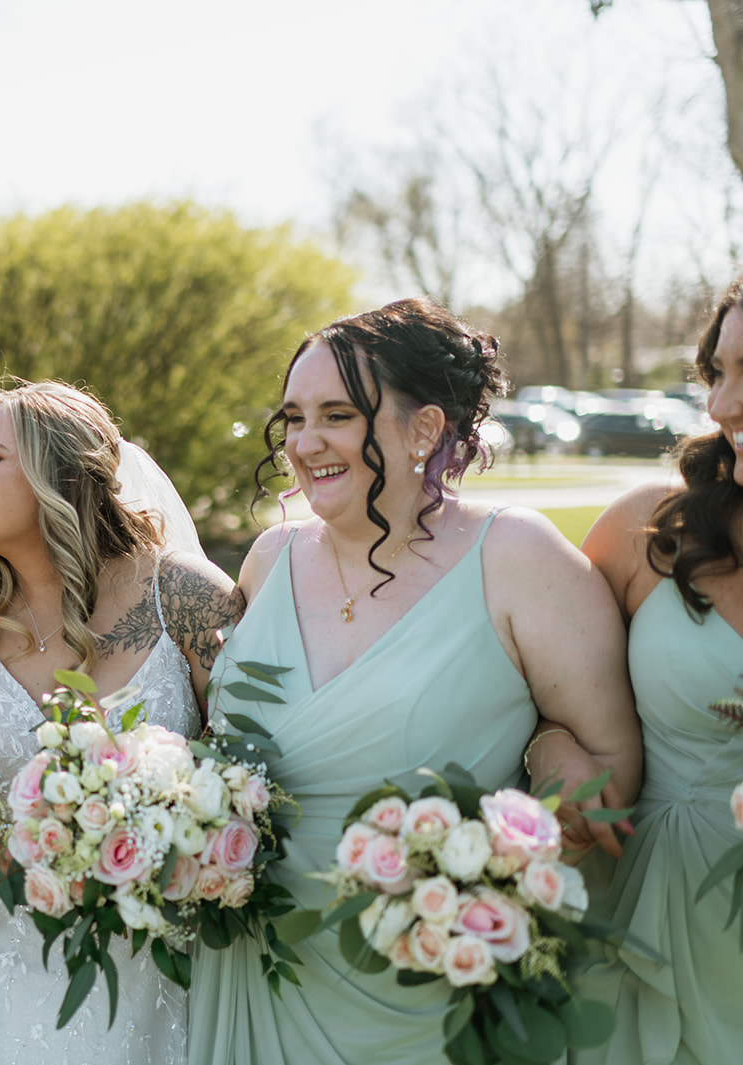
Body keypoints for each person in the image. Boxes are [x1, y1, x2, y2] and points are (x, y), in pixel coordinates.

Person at [185, 298, 642, 1064]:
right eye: (293, 418)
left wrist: (550, 748)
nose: (304, 442)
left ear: (425, 429)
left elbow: (612, 783)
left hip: (424, 987)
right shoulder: (269, 558)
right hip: (255, 968)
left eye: (337, 414)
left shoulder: (517, 559)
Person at [0, 380, 242, 1065]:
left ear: (62, 474)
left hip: (155, 945)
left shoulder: (186, 595)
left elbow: (249, 767)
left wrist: (151, 854)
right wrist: (36, 859)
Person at [576, 278, 743, 1065]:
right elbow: (536, 691)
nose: (722, 407)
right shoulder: (651, 531)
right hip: (645, 918)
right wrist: (562, 758)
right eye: (717, 372)